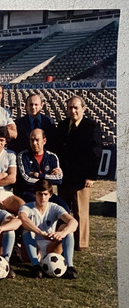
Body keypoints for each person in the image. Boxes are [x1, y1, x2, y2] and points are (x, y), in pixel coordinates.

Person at [51, 95, 103, 251]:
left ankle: (81, 243)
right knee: (63, 209)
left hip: (82, 177)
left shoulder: (91, 127)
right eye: (70, 108)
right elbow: (57, 150)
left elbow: (96, 152)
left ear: (83, 109)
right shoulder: (62, 126)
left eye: (76, 108)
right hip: (64, 176)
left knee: (80, 211)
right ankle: (62, 238)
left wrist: (91, 176)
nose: (72, 111)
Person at [18, 180, 78, 279]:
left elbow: (74, 222)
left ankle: (70, 267)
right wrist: (40, 233)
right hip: (33, 246)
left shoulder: (54, 207)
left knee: (67, 229)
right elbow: (23, 219)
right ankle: (35, 266)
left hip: (51, 246)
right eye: (39, 194)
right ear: (35, 194)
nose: (42, 197)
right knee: (26, 230)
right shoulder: (27, 207)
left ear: (50, 195)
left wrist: (62, 233)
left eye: (45, 194)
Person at [15, 128, 68, 211]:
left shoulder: (52, 157)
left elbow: (59, 179)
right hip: (30, 193)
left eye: (37, 140)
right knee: (35, 210)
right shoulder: (23, 156)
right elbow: (27, 179)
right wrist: (48, 178)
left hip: (47, 193)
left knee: (64, 208)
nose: (34, 143)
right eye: (32, 140)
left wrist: (39, 175)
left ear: (44, 141)